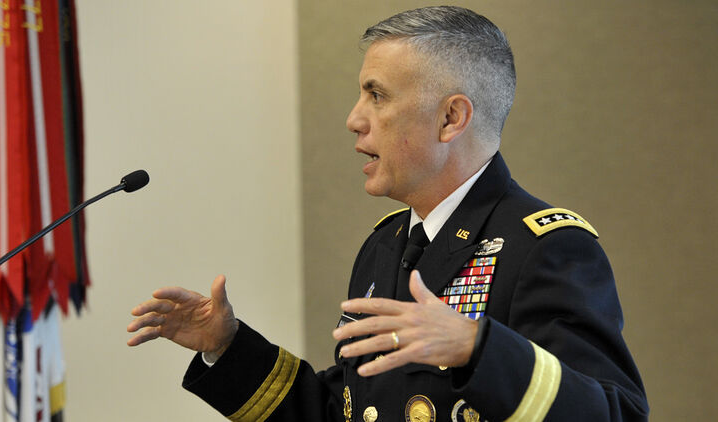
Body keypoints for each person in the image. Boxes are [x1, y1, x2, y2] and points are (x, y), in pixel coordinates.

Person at [127, 6, 648, 422]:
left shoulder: (544, 246)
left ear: (451, 118)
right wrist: (227, 347)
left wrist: (477, 348)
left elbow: (618, 412)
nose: (354, 119)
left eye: (376, 95)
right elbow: (354, 410)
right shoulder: (387, 244)